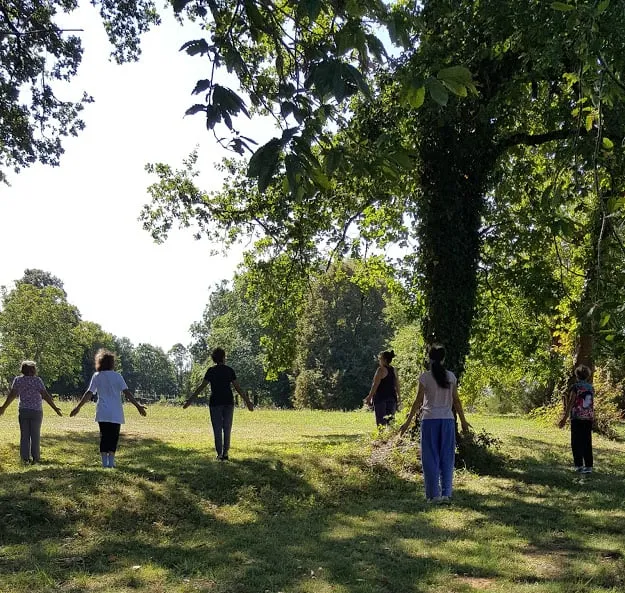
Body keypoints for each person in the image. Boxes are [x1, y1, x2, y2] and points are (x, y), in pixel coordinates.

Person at [400, 344, 470, 503]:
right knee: (447, 456)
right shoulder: (451, 376)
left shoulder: (425, 377)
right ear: (443, 359)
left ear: (429, 358)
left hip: (429, 420)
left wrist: (407, 422)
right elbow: (457, 401)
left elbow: (417, 401)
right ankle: (446, 493)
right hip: (447, 421)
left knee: (430, 458)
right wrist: (463, 422)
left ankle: (433, 495)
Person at [70, 349, 146, 468]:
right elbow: (127, 393)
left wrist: (78, 406)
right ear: (111, 363)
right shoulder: (117, 376)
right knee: (113, 437)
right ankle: (111, 462)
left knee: (104, 436)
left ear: (99, 362)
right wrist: (138, 406)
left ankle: (104, 463)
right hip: (115, 412)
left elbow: (89, 393)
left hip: (103, 411)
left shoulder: (97, 376)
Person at [183, 347, 254, 460]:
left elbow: (201, 387)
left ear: (214, 358)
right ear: (223, 357)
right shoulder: (229, 370)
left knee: (217, 428)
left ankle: (219, 454)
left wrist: (190, 400)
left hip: (215, 402)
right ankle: (225, 453)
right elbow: (238, 388)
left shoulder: (211, 371)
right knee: (227, 428)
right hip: (228, 402)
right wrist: (248, 402)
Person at [0, 360, 62, 463]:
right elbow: (45, 395)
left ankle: (25, 458)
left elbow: (12, 395)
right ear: (33, 370)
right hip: (36, 411)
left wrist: (3, 407)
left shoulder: (18, 380)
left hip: (24, 410)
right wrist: (55, 408)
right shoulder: (37, 380)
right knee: (35, 435)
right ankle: (36, 458)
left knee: (24, 435)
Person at [559, 365, 594, 473]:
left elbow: (571, 402)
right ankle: (589, 466)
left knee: (576, 441)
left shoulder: (575, 387)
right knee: (587, 441)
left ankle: (579, 465)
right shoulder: (591, 388)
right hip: (588, 418)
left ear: (577, 375)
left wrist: (564, 418)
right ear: (588, 376)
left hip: (577, 417)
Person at [364, 350, 400, 426]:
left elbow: (375, 385)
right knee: (391, 422)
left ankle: (381, 434)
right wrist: (399, 397)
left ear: (385, 360)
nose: (379, 360)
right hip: (392, 398)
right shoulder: (394, 370)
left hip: (380, 399)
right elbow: (397, 385)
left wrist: (369, 397)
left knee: (381, 423)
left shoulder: (380, 370)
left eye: (380, 359)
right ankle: (391, 433)